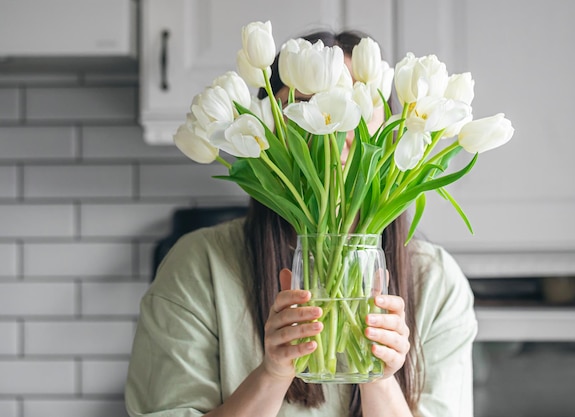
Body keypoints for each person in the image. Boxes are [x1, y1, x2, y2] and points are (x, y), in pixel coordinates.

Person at [125, 29, 477, 417]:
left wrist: (376, 373)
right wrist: (273, 372)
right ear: (271, 123)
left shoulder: (435, 281)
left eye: (356, 101)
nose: (341, 126)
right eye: (309, 102)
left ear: (393, 126)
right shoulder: (199, 266)